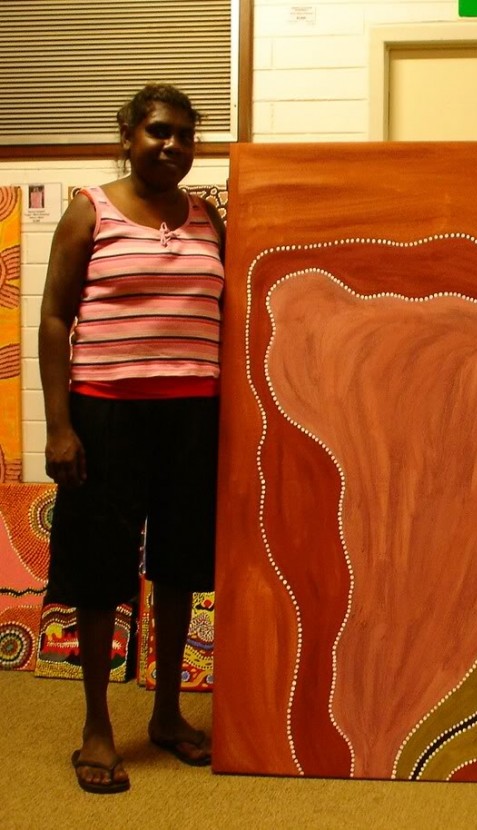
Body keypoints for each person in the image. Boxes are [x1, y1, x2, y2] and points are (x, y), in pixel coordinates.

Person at [39, 83, 226, 794]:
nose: (172, 145)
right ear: (128, 136)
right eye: (158, 131)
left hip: (192, 420)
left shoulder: (208, 217)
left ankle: (168, 714)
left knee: (179, 569)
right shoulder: (90, 210)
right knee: (98, 573)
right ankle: (96, 726)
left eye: (184, 134)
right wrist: (60, 426)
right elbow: (54, 319)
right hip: (105, 418)